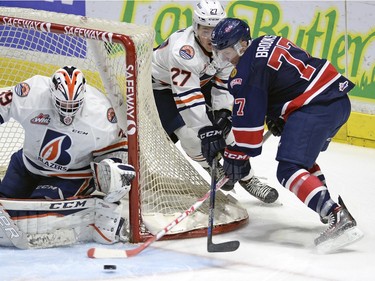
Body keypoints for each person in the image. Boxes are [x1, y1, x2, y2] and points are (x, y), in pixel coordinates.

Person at [201, 17, 364, 253]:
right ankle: (324, 206)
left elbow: (249, 135)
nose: (224, 58)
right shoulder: (267, 41)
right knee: (302, 161)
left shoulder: (247, 70)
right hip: (335, 102)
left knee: (289, 168)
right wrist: (277, 113)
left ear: (242, 45)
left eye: (226, 52)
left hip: (314, 108)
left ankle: (336, 215)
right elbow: (284, 79)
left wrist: (235, 155)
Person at [152, 0, 278, 203]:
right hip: (162, 89)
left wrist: (222, 112)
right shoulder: (184, 51)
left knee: (228, 131)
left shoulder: (225, 42)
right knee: (192, 137)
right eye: (205, 30)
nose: (210, 37)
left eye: (215, 29)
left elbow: (222, 82)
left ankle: (248, 178)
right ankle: (213, 168)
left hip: (201, 81)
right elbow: (187, 96)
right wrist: (205, 130)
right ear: (195, 27)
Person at [0, 66, 136, 247]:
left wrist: (114, 168)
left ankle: (89, 222)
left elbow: (118, 145)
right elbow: (4, 103)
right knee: (5, 202)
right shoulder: (32, 93)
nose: (68, 111)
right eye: (62, 104)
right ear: (51, 93)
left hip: (70, 175)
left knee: (36, 217)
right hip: (26, 164)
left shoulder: (100, 113)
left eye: (73, 105)